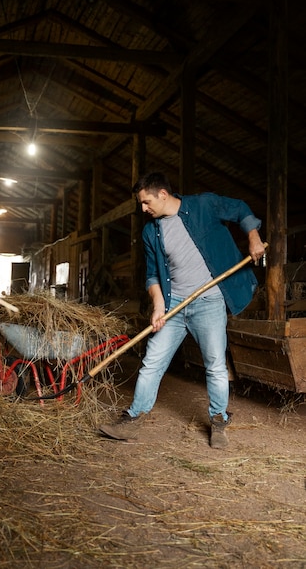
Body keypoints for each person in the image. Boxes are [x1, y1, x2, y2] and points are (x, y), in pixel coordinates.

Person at [99, 172, 266, 449]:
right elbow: (152, 274)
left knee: (214, 365)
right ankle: (132, 419)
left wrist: (253, 237)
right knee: (152, 362)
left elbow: (240, 209)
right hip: (173, 305)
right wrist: (158, 307)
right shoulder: (150, 231)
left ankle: (219, 421)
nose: (143, 209)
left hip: (209, 301)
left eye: (146, 202)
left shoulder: (203, 205)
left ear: (163, 194)